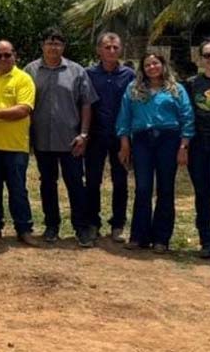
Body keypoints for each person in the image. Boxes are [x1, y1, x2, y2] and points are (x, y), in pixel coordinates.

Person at [24, 27, 98, 247]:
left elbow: (86, 103)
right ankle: (51, 225)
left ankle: (81, 227)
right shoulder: (30, 70)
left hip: (70, 139)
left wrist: (84, 134)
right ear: (42, 45)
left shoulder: (76, 71)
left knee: (75, 184)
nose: (53, 47)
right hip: (42, 139)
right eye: (49, 42)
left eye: (57, 43)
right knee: (47, 184)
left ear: (63, 47)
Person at [117, 53, 194, 253]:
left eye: (155, 63)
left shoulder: (176, 90)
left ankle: (161, 239)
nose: (152, 67)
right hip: (142, 140)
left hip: (169, 140)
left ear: (163, 65)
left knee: (165, 188)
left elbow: (187, 117)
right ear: (142, 69)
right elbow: (124, 117)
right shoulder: (133, 89)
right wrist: (125, 144)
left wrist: (183, 147)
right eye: (147, 64)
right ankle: (138, 236)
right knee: (142, 188)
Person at [0, 41, 38, 246]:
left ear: (15, 56)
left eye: (7, 55)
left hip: (15, 146)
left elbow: (23, 110)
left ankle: (24, 229)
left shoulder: (24, 79)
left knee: (18, 190)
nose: (3, 59)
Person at [85, 32, 136, 243]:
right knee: (92, 180)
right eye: (107, 47)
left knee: (120, 181)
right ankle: (92, 224)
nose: (112, 51)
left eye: (115, 47)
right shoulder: (88, 74)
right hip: (95, 135)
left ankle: (118, 225)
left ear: (120, 49)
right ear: (99, 50)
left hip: (120, 137)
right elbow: (84, 104)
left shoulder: (130, 76)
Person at [187, 39, 210, 258]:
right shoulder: (192, 84)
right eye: (207, 55)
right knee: (202, 194)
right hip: (198, 147)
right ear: (200, 58)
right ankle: (207, 241)